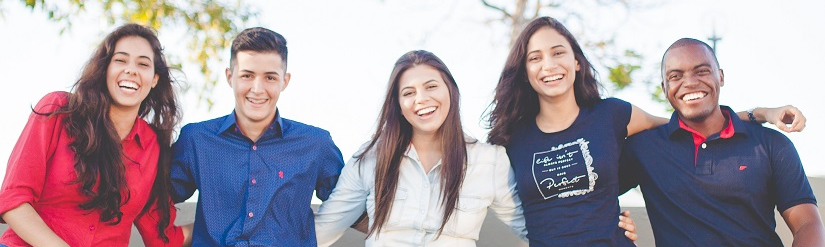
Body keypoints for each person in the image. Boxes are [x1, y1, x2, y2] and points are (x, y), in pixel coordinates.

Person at [483, 16, 806, 246]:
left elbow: (690, 122)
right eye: (535, 57)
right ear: (524, 70)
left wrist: (759, 113)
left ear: (577, 61)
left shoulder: (612, 114)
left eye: (558, 52)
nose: (549, 65)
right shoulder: (512, 138)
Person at [314, 50, 637, 247]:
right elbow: (321, 231)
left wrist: (606, 225)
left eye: (430, 87)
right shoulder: (370, 159)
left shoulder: (489, 161)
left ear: (450, 92)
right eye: (408, 93)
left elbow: (539, 228)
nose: (421, 100)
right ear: (398, 105)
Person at [619, 38, 825, 246]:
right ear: (665, 87)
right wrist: (615, 224)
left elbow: (807, 224)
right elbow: (590, 193)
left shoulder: (771, 144)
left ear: (721, 76)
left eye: (701, 71)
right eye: (676, 76)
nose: (690, 82)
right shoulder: (643, 148)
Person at [0, 23, 189, 247]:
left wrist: (226, 225)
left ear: (155, 79)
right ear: (105, 69)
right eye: (120, 60)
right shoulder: (58, 110)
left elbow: (163, 238)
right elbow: (13, 201)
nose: (131, 70)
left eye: (143, 64)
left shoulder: (152, 146)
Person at [169, 27, 345, 246]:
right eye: (247, 75)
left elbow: (349, 203)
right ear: (229, 76)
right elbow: (153, 197)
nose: (257, 88)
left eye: (270, 77)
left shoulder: (316, 144)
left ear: (285, 81)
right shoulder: (196, 139)